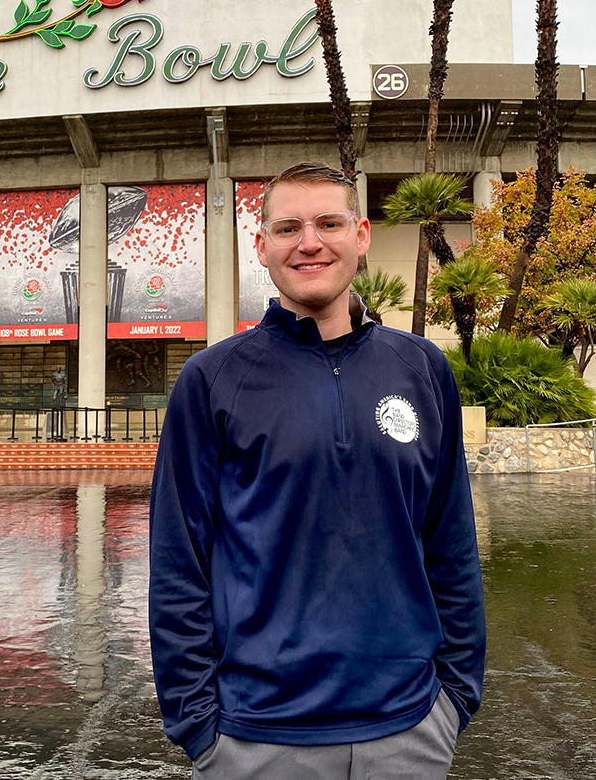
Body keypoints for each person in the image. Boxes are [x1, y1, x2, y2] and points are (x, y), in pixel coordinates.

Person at [149, 162, 485, 780]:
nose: (309, 242)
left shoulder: (421, 369)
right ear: (263, 246)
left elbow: (451, 543)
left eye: (329, 223)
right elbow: (179, 563)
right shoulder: (212, 380)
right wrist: (199, 726)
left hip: (409, 730)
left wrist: (455, 696)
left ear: (360, 235)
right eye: (288, 228)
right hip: (255, 739)